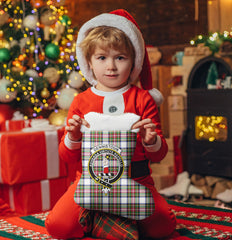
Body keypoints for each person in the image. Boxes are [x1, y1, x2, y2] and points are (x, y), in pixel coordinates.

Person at [45, 9, 176, 240]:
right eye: (102, 57)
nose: (111, 66)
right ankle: (106, 218)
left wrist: (151, 141)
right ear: (89, 62)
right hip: (89, 180)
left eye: (120, 57)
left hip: (137, 181)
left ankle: (107, 217)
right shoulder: (81, 100)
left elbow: (159, 156)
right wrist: (73, 136)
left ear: (133, 60)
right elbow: (67, 156)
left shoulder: (143, 99)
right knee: (58, 226)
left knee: (163, 227)